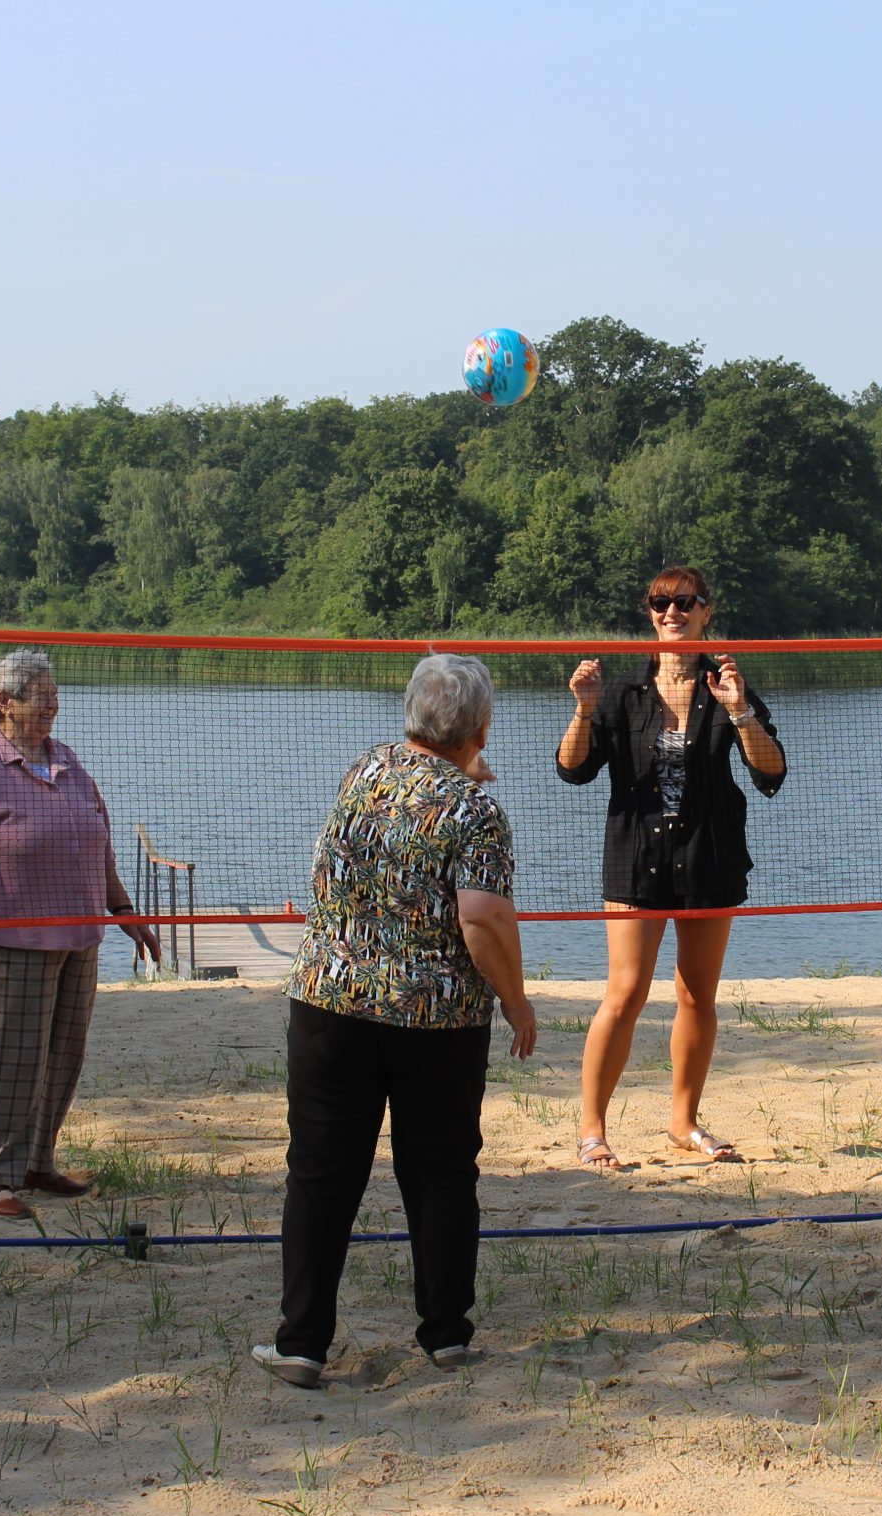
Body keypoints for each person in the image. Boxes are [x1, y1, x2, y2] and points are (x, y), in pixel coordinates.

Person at [255, 653, 540, 1389]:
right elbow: (481, 920)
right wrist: (515, 997)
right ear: (481, 726)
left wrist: (459, 774)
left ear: (413, 714)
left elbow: (413, 799)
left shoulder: (365, 769)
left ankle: (302, 1341)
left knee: (320, 1171)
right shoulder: (477, 811)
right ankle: (445, 1334)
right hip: (435, 1017)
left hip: (331, 999)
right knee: (441, 1171)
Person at [556, 565, 786, 1170]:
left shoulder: (727, 685)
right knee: (625, 994)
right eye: (661, 603)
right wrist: (583, 710)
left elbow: (771, 773)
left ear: (708, 613)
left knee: (696, 996)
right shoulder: (622, 692)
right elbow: (573, 770)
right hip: (637, 858)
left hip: (707, 859)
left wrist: (739, 712)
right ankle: (592, 1130)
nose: (671, 613)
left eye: (685, 603)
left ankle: (683, 1125)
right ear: (649, 611)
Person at [0, 649, 155, 1221]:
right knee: (8, 1060)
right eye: (41, 695)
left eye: (54, 694)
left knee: (62, 1056)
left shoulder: (67, 761)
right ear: (5, 704)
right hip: (8, 943)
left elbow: (98, 842)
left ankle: (36, 1163)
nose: (54, 704)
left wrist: (124, 909)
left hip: (80, 936)